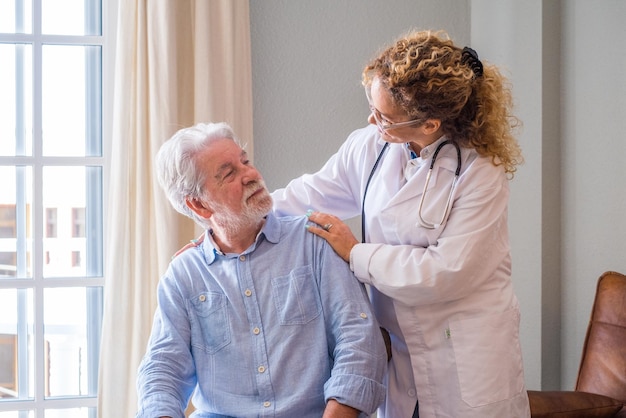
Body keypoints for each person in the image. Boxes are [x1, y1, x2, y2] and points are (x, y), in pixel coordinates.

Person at [271, 30, 531, 418]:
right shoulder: (371, 145)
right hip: (401, 355)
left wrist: (355, 252)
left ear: (429, 124)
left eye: (384, 117)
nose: (371, 120)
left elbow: (445, 273)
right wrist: (233, 221)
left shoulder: (480, 172)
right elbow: (307, 195)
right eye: (372, 106)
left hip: (466, 359)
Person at [135, 122, 388, 418]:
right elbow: (162, 369)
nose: (251, 175)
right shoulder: (183, 275)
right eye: (229, 173)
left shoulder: (316, 243)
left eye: (245, 161)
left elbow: (359, 340)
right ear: (199, 205)